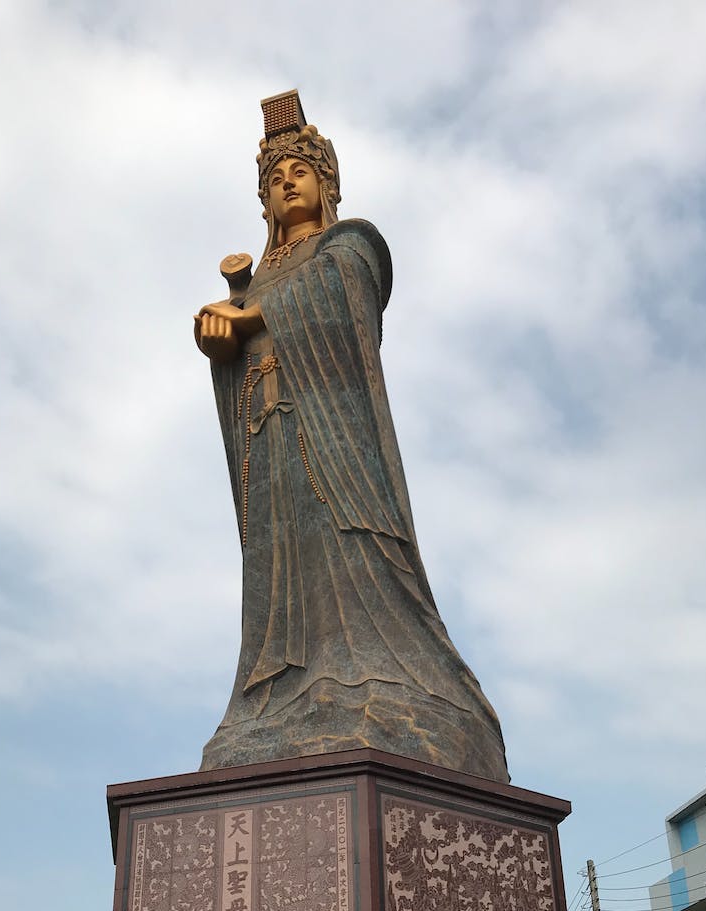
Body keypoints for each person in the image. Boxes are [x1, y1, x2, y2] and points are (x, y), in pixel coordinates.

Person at [194, 94, 508, 783]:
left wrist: (251, 315)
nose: (287, 185)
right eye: (275, 180)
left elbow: (344, 291)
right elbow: (237, 342)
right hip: (271, 435)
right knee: (280, 565)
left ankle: (385, 679)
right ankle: (277, 698)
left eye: (299, 172)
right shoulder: (258, 276)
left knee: (353, 548)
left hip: (335, 442)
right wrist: (220, 336)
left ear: (326, 183)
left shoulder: (348, 245)